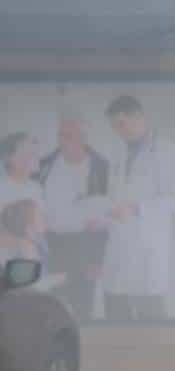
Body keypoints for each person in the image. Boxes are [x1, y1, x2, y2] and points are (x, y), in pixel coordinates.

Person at [103, 95, 175, 322]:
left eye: (121, 124)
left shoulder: (166, 152)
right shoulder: (118, 152)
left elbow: (174, 200)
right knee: (116, 313)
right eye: (114, 126)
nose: (118, 130)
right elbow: (114, 193)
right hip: (119, 243)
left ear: (139, 117)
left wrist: (137, 208)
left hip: (148, 245)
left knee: (150, 317)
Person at [38, 116, 110, 321]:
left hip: (84, 246)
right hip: (51, 245)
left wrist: (98, 259)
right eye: (60, 135)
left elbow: (108, 218)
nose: (62, 141)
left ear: (84, 139)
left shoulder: (102, 168)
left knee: (82, 305)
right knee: (51, 304)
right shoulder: (45, 165)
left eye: (69, 136)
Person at [0, 132, 43, 212]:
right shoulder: (2, 188)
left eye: (35, 151)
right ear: (11, 157)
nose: (36, 156)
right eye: (29, 151)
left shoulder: (36, 188)